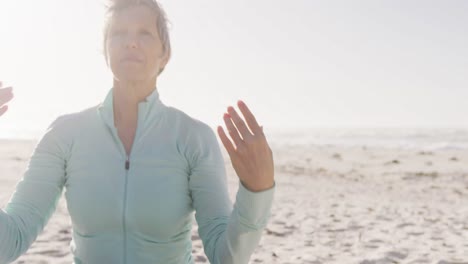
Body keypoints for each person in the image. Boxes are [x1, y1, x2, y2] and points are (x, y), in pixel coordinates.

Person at [0, 0, 275, 263]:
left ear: (165, 54)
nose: (131, 41)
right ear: (106, 49)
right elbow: (9, 241)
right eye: (119, 33)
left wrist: (256, 192)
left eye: (144, 33)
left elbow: (225, 256)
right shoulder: (65, 135)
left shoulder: (194, 139)